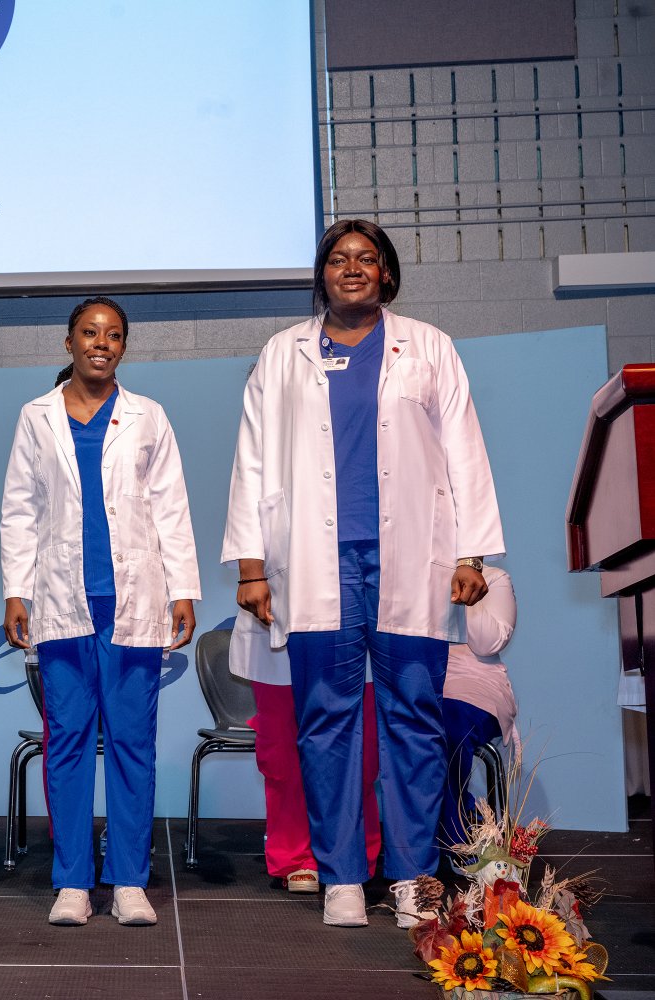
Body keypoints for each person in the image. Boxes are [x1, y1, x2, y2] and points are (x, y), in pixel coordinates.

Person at [222, 219, 503, 929]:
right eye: (339, 259)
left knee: (413, 717)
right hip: (314, 563)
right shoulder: (282, 354)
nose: (352, 269)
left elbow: (465, 450)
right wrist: (250, 565)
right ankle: (342, 876)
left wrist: (472, 553)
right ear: (321, 274)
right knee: (325, 721)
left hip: (412, 559)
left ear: (387, 275)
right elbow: (252, 458)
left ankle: (412, 879)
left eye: (367, 259)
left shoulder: (429, 347)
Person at [1, 295, 200, 927]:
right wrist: (15, 590)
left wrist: (183, 589)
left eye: (113, 335)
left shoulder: (148, 417)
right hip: (61, 602)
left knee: (132, 743)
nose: (101, 343)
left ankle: (130, 881)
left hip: (132, 603)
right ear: (68, 343)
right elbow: (19, 509)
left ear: (122, 347)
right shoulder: (37, 417)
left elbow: (170, 506)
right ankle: (72, 882)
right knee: (66, 744)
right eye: (89, 332)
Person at [228, 612, 382, 893]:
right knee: (283, 753)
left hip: (356, 628)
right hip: (277, 628)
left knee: (360, 754)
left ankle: (353, 853)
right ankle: (297, 856)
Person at [440, 566, 518, 847]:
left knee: (449, 719)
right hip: (418, 676)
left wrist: (466, 585)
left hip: (475, 681)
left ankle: (456, 836)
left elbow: (487, 644)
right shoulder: (410, 569)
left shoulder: (495, 578)